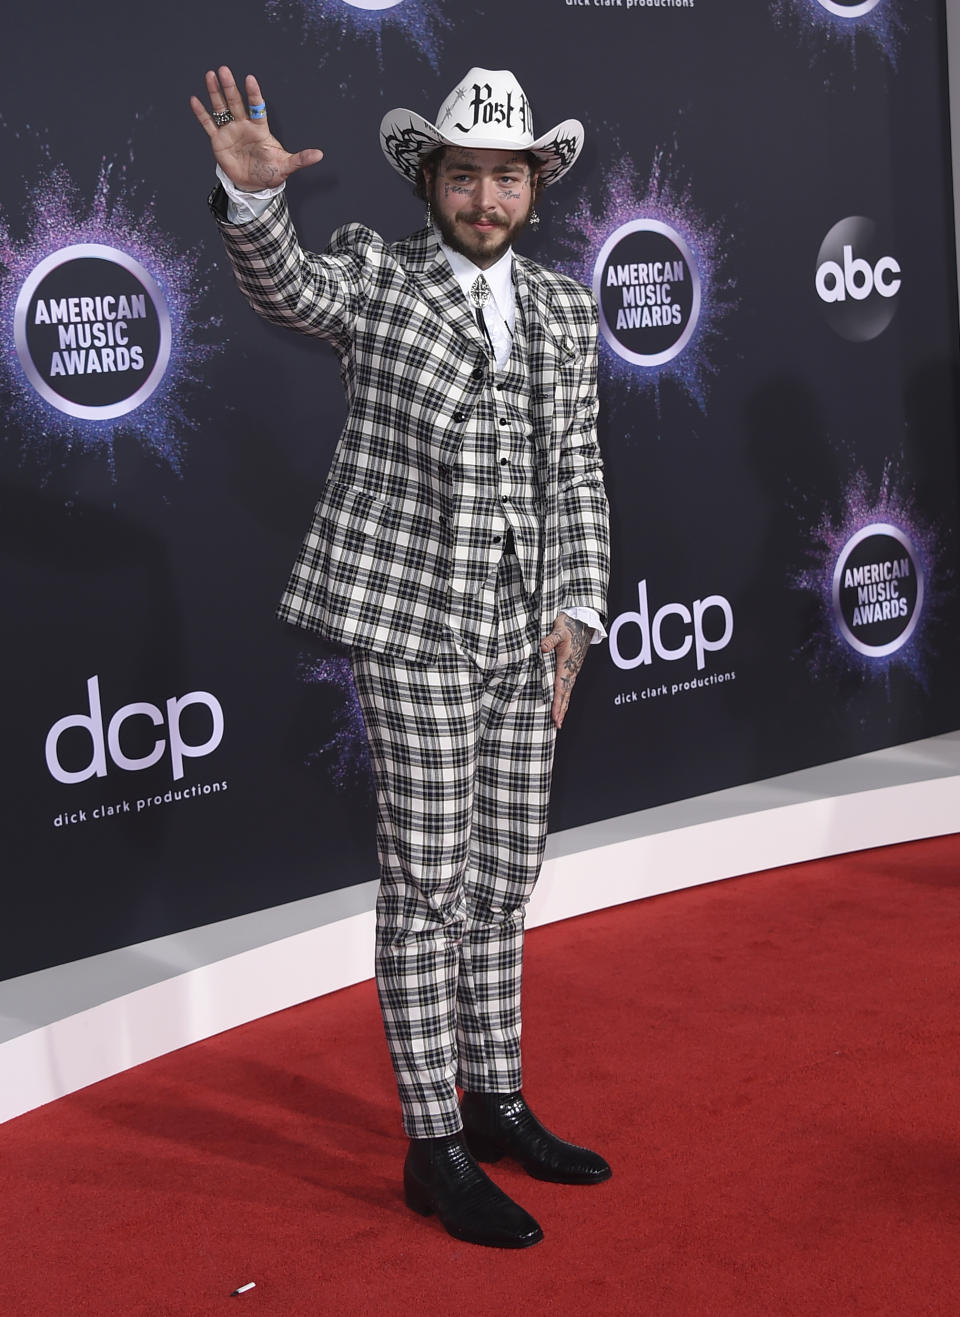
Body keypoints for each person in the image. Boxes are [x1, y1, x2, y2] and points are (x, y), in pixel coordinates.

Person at [191, 64, 612, 1249]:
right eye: (466, 173)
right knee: (428, 888)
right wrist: (255, 204)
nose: (486, 196)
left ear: (536, 185)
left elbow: (574, 464)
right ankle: (432, 1146)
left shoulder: (569, 306)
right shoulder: (381, 274)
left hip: (527, 632)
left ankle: (497, 1101)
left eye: (507, 174)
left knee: (503, 877)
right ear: (431, 179)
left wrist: (576, 607)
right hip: (413, 625)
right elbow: (291, 290)